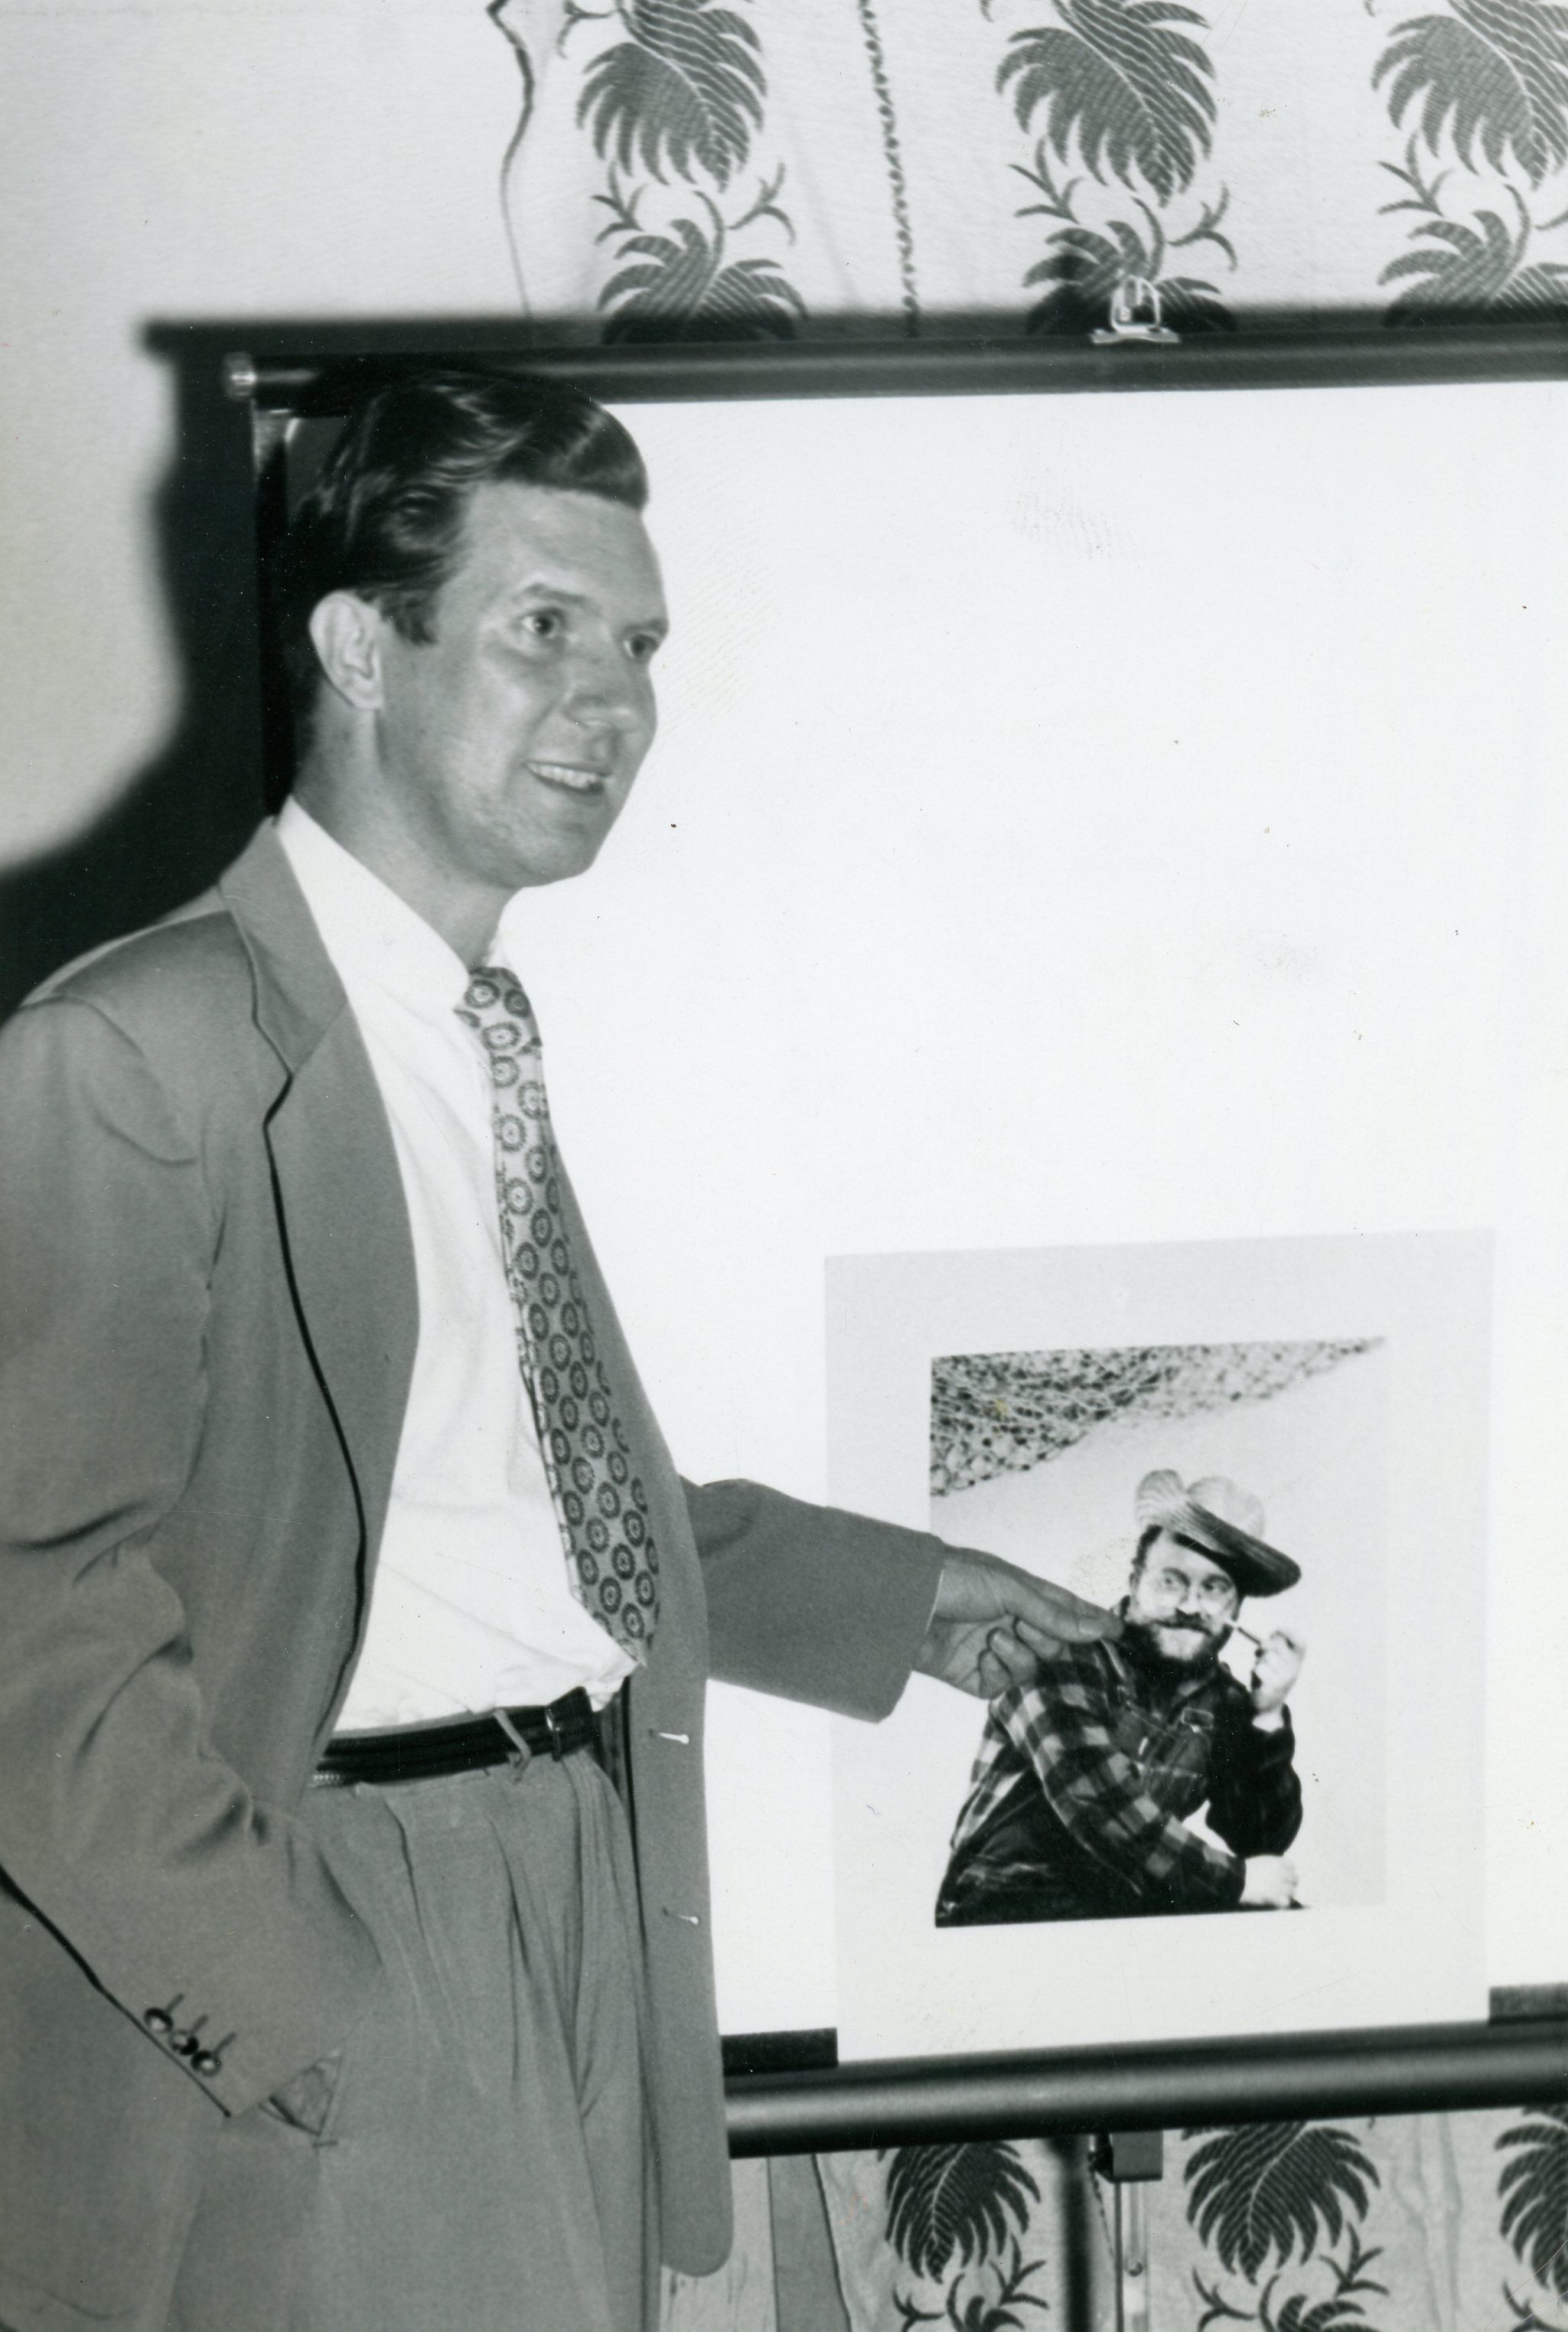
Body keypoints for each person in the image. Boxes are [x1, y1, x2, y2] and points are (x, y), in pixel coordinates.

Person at [0, 370, 1117, 2332]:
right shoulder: (132, 1054)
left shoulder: (466, 1030)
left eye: (639, 644)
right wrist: (306, 2005)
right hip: (356, 1907)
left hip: (577, 1891)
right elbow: (29, 1625)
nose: (614, 700)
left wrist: (910, 1597)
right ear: (361, 646)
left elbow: (525, 1502)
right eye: (543, 627)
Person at [935, 1469, 1306, 1928]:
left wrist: (1266, 1715)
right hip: (1010, 1899)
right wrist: (1234, 1883)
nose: (1190, 1606)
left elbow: (1261, 1841)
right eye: (1171, 1581)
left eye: (1214, 1588)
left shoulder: (1224, 1700)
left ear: (1236, 1608)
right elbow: (1097, 1802)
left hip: (1131, 1902)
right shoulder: (1059, 1649)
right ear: (1134, 1581)